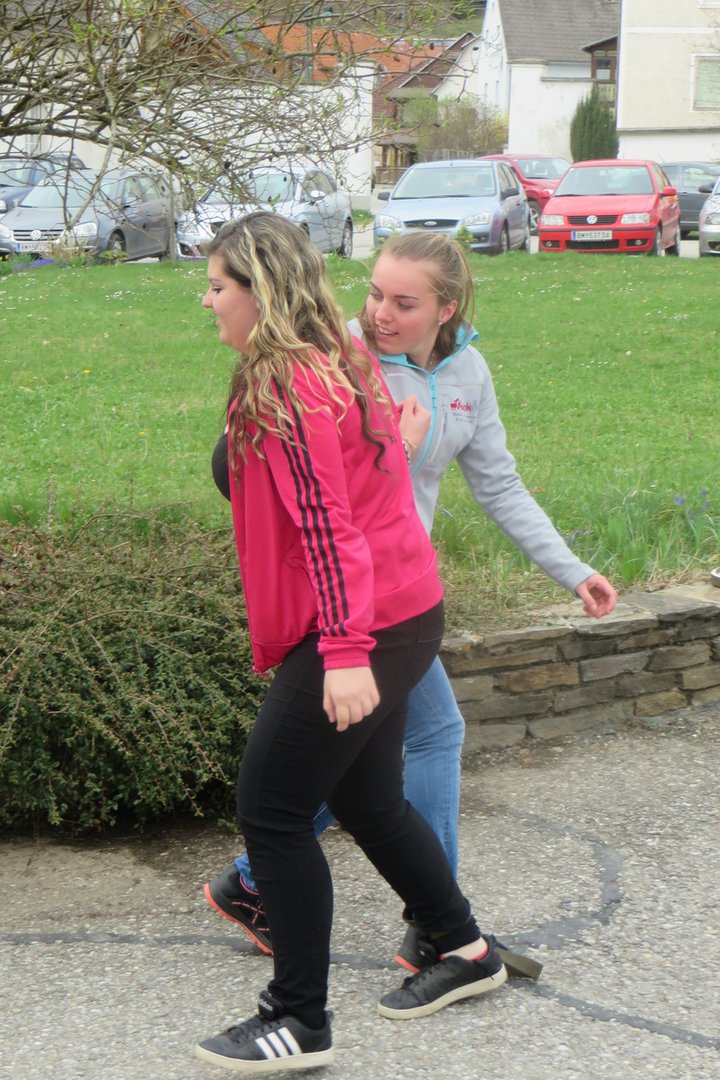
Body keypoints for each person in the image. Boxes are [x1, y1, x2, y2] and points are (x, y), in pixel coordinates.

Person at [205, 229, 618, 977]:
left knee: (366, 774)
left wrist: (571, 568)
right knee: (387, 763)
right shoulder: (335, 356)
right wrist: (390, 452)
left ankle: (383, 920)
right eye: (373, 295)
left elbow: (498, 483)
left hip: (395, 598)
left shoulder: (467, 374)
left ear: (445, 309)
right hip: (359, 604)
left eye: (403, 302)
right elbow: (280, 486)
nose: (379, 315)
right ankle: (431, 927)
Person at [195, 213, 510, 1074]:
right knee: (368, 800)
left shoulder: (291, 384)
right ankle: (462, 947)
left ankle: (298, 1019)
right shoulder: (334, 354)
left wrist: (341, 652)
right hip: (403, 609)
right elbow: (336, 480)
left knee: (273, 810)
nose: (207, 301)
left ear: (259, 291)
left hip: (364, 622)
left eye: (218, 286)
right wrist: (388, 450)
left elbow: (328, 529)